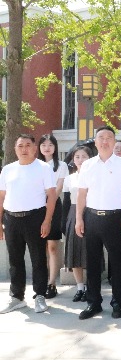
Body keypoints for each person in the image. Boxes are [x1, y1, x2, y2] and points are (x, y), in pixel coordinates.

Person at [76, 126, 121, 319]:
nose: (105, 141)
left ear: (114, 141)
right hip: (92, 217)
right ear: (95, 142)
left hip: (116, 218)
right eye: (101, 137)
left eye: (109, 137)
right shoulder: (87, 165)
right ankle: (93, 303)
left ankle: (118, 303)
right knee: (92, 263)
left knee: (118, 263)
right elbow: (82, 194)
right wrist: (79, 219)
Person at [0, 134, 57, 314]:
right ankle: (17, 297)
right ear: (15, 149)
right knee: (15, 259)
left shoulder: (43, 168)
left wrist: (47, 220)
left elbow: (52, 195)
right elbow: (1, 197)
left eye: (27, 145)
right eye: (20, 146)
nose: (24, 149)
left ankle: (40, 295)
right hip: (11, 219)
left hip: (35, 217)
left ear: (34, 148)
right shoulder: (7, 169)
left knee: (38, 258)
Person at [37, 134, 69, 299]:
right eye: (43, 145)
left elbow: (58, 188)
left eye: (50, 145)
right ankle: (41, 284)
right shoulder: (35, 165)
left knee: (52, 246)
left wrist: (48, 201)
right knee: (39, 247)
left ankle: (51, 283)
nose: (47, 148)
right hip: (35, 207)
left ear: (55, 147)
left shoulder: (61, 165)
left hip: (54, 206)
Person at [63, 145, 95, 302]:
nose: (81, 160)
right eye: (77, 157)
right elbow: (66, 202)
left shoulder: (95, 176)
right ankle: (80, 287)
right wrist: (65, 222)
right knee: (74, 251)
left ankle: (91, 287)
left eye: (84, 156)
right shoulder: (69, 178)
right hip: (73, 213)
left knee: (90, 251)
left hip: (91, 213)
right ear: (73, 159)